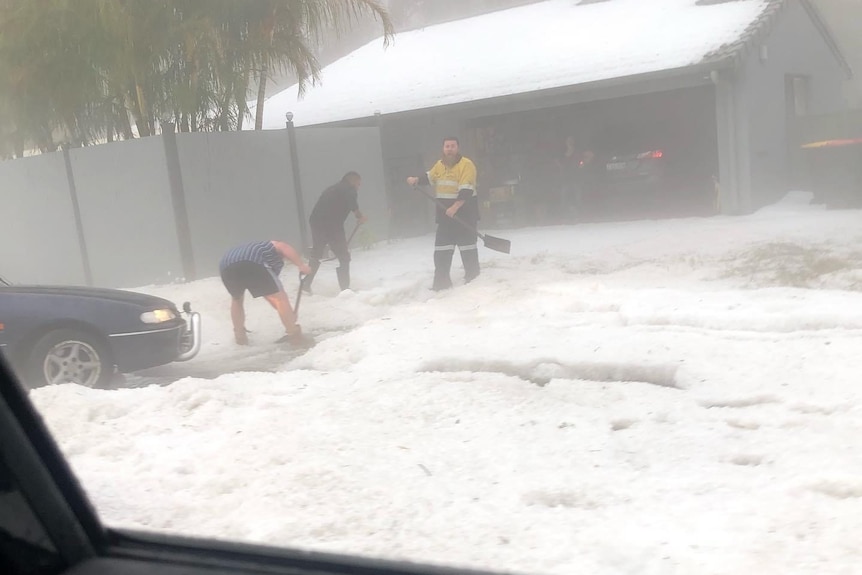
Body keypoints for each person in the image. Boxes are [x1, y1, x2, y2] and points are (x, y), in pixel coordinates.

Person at [406, 137, 480, 291]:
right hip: (445, 217)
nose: (450, 149)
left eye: (453, 146)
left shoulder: (466, 164)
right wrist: (416, 180)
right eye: (447, 146)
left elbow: (467, 189)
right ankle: (441, 284)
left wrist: (455, 207)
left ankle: (474, 282)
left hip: (464, 215)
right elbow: (429, 177)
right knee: (441, 250)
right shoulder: (440, 165)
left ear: (458, 148)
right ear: (443, 149)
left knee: (467, 249)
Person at [219, 240, 311, 346]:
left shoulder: (257, 250)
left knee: (236, 299)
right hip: (251, 261)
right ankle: (295, 336)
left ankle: (240, 337)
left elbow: (268, 295)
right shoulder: (272, 246)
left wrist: (288, 313)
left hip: (226, 266)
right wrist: (301, 265)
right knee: (281, 298)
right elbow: (284, 247)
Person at [302, 171, 367, 293]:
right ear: (352, 181)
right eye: (358, 184)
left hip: (316, 222)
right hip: (333, 225)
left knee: (316, 253)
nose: (359, 187)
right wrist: (360, 217)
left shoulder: (332, 189)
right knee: (344, 256)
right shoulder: (349, 189)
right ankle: (345, 290)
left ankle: (306, 284)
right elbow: (354, 206)